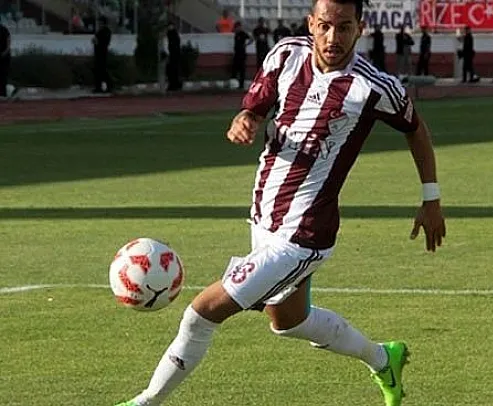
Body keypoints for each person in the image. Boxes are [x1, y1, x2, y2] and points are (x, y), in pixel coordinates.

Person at [113, 1, 446, 406]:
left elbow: (416, 129)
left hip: (304, 234)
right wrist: (245, 119)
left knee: (201, 314)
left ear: (360, 28)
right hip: (265, 217)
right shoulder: (287, 55)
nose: (333, 38)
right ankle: (383, 358)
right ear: (311, 24)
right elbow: (255, 106)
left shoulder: (374, 88)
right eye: (325, 26)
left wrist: (431, 198)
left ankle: (145, 401)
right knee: (289, 321)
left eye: (344, 27)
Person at [92, 16, 112, 93]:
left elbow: (104, 42)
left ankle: (109, 87)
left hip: (102, 53)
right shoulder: (100, 31)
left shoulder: (106, 31)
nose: (99, 24)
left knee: (103, 71)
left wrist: (97, 42)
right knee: (98, 71)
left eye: (100, 22)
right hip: (98, 53)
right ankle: (98, 87)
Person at [232, 21, 252, 88]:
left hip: (241, 53)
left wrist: (246, 45)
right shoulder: (236, 34)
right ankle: (235, 82)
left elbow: (251, 39)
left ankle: (241, 84)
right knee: (235, 68)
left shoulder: (243, 33)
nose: (236, 29)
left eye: (237, 27)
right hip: (236, 53)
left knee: (242, 69)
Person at [165, 22, 182, 91]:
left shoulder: (173, 34)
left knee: (173, 70)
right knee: (171, 70)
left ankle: (175, 85)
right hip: (173, 54)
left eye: (171, 26)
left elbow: (175, 44)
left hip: (174, 54)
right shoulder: (170, 33)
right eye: (169, 26)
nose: (169, 27)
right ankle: (174, 85)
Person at [0, 22, 9, 98]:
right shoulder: (4, 29)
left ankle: (3, 94)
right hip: (4, 55)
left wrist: (5, 52)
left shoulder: (4, 29)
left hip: (4, 56)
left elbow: (8, 41)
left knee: (3, 76)